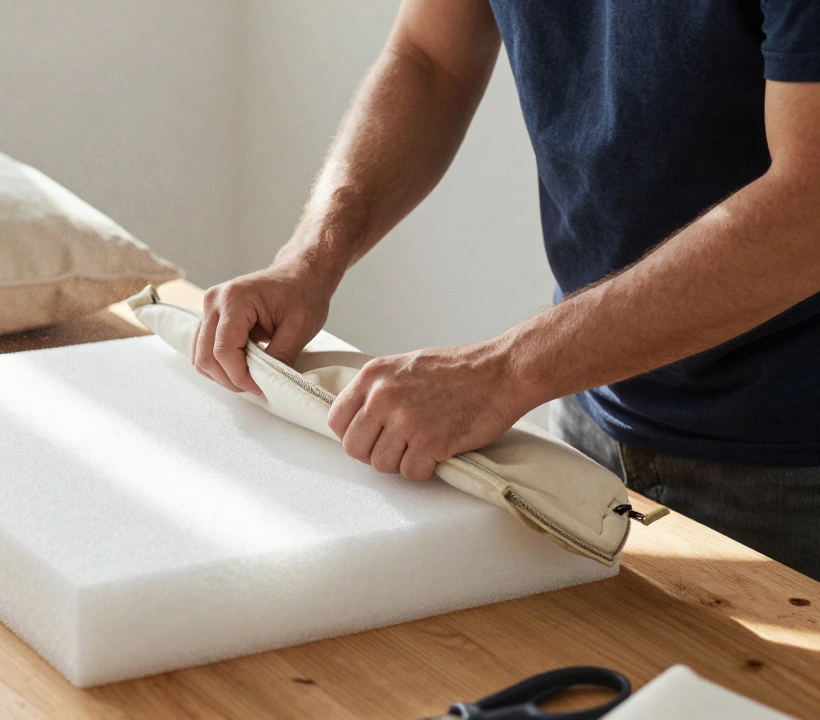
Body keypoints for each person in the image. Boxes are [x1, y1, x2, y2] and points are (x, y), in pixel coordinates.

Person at [193, 1, 820, 580]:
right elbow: (429, 58)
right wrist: (309, 257)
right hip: (585, 406)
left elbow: (809, 208)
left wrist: (504, 371)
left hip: (792, 464)